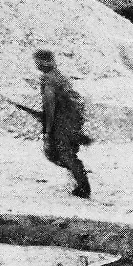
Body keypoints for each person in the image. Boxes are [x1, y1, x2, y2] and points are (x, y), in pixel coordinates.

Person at [33, 49, 92, 199]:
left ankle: (83, 187)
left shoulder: (49, 80)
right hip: (71, 120)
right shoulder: (58, 76)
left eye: (38, 61)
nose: (36, 64)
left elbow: (50, 106)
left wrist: (47, 129)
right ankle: (79, 179)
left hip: (63, 122)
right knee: (61, 153)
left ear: (43, 62)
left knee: (61, 153)